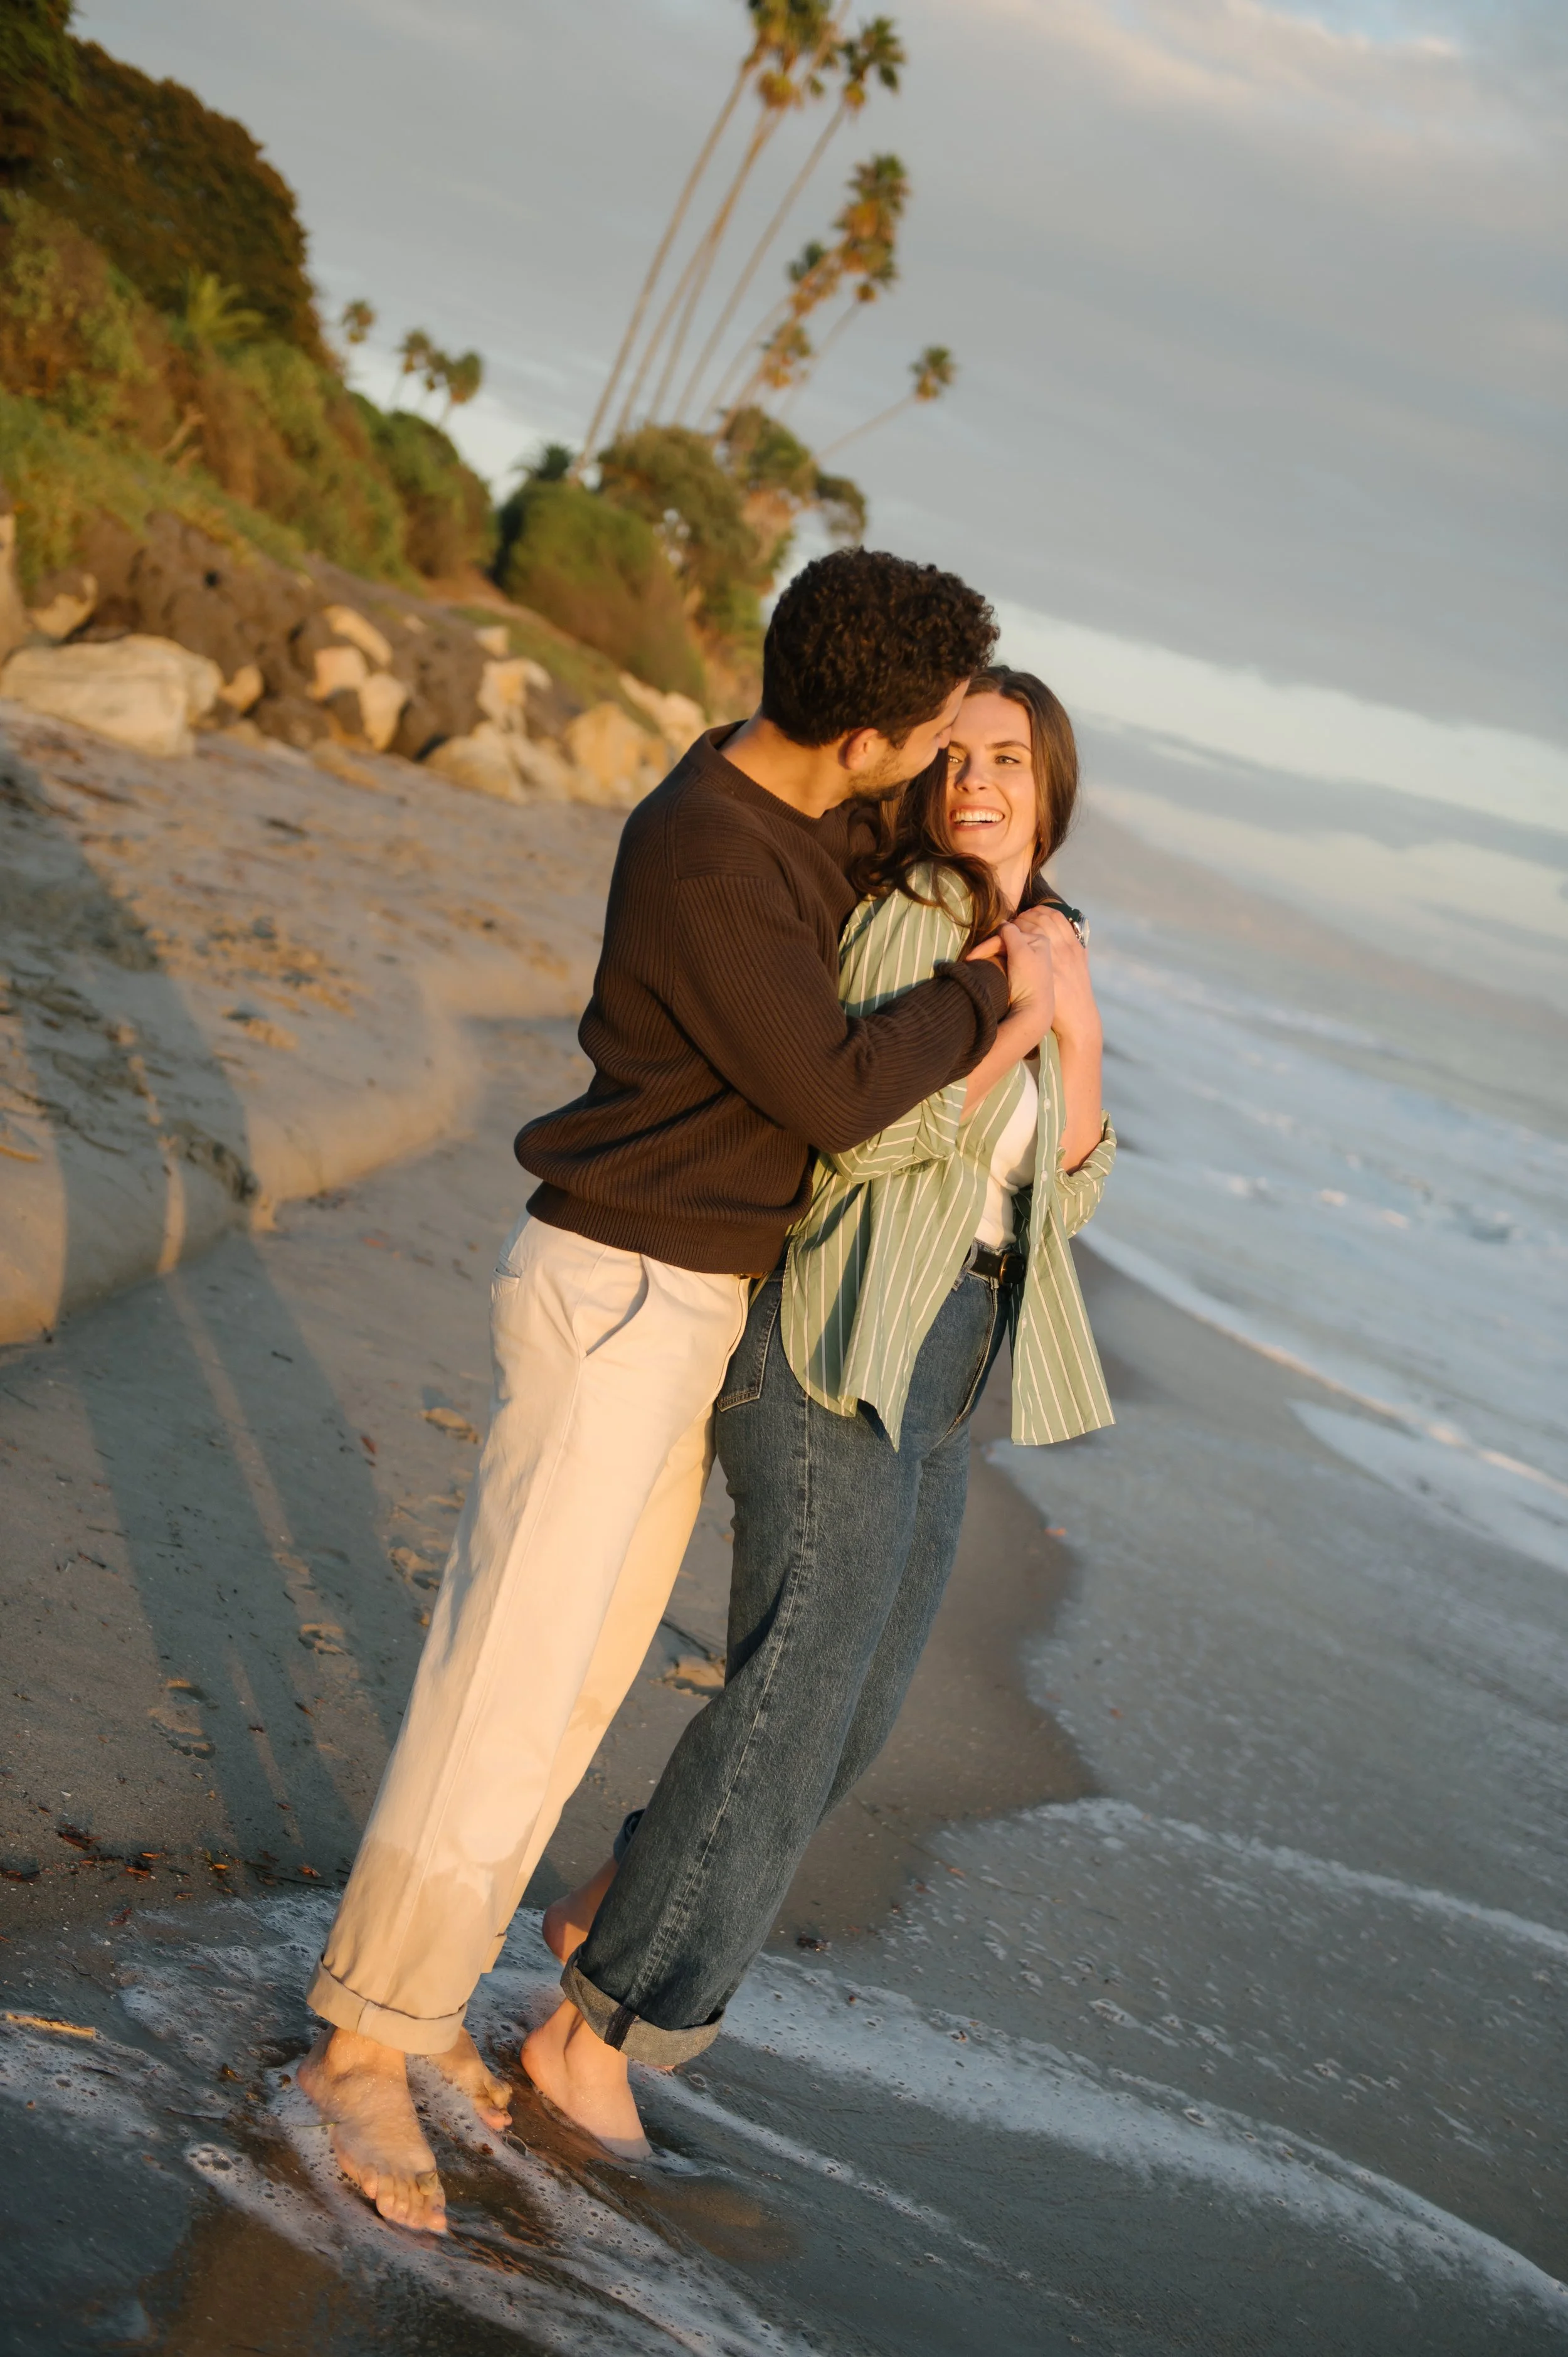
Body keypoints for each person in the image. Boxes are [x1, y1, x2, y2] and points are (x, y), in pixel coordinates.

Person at [297, 550, 1029, 2232]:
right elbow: (832, 1086)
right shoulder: (708, 850)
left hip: (679, 1301)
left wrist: (999, 861)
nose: (932, 764)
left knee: (561, 1701)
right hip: (619, 1292)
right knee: (502, 1685)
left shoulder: (785, 805)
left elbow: (902, 860)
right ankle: (354, 2043)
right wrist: (989, 993)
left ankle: (416, 2014)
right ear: (858, 738)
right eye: (923, 738)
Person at [526, 667, 1116, 2156]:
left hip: (952, 1351)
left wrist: (1075, 1018)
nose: (979, 780)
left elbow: (1075, 1187)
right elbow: (853, 1139)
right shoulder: (914, 925)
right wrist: (1002, 1015)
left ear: (1049, 787)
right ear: (920, 781)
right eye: (957, 756)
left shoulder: (1045, 937)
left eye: (1010, 758)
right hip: (840, 1338)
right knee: (795, 1699)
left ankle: (621, 1896)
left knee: (848, 1711)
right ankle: (593, 2025)